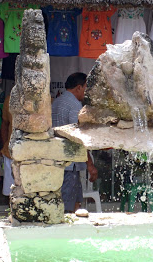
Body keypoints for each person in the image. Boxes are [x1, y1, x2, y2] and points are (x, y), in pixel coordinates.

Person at [52, 72, 98, 213]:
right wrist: (90, 165)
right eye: (86, 87)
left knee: (72, 201)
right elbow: (78, 138)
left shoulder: (57, 102)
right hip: (70, 164)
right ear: (78, 87)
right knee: (69, 206)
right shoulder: (74, 106)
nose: (87, 91)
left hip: (58, 161)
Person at [0, 94, 14, 199]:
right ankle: (12, 212)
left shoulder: (43, 99)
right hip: (10, 151)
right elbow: (4, 123)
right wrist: (5, 143)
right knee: (10, 190)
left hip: (32, 153)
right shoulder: (9, 99)